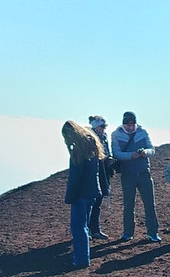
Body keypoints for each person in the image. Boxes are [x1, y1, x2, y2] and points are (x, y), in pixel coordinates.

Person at [110, 111, 160, 242]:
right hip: (128, 174)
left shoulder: (143, 132)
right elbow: (116, 153)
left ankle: (152, 232)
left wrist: (145, 152)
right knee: (128, 204)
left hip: (144, 172)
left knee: (150, 204)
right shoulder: (116, 135)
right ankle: (128, 233)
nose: (131, 128)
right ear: (124, 124)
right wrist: (130, 156)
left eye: (133, 125)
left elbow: (152, 150)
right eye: (128, 125)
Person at [61, 120, 105, 268]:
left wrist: (70, 196)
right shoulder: (92, 146)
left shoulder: (78, 151)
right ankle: (82, 258)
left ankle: (81, 260)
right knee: (84, 226)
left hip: (80, 194)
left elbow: (75, 177)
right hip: (92, 192)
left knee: (78, 227)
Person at [87, 115, 114, 240]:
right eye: (102, 126)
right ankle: (88, 229)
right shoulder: (89, 139)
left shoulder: (104, 138)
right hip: (94, 173)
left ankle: (94, 229)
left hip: (103, 173)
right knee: (91, 202)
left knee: (97, 202)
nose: (104, 128)